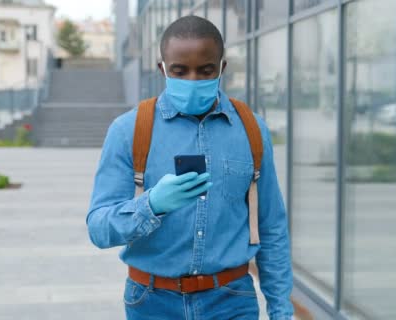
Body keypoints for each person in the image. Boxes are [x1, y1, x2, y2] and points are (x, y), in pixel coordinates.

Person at [86, 15, 293, 320]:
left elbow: (271, 225)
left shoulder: (251, 129)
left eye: (205, 70)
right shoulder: (129, 130)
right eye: (180, 71)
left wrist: (281, 310)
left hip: (231, 299)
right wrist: (151, 205)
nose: (193, 80)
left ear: (221, 68)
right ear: (163, 69)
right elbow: (99, 229)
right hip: (151, 301)